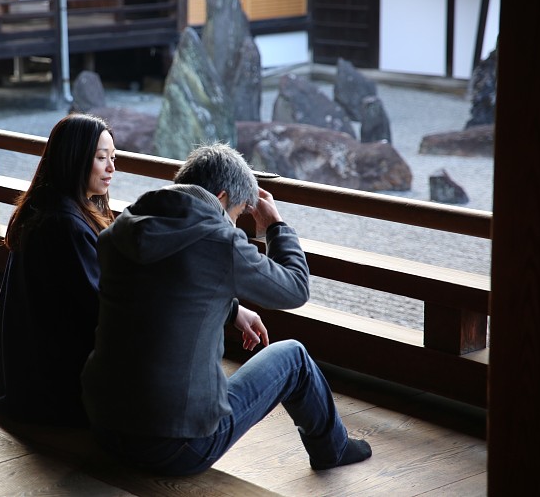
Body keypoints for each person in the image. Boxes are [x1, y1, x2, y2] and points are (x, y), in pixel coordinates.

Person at [80, 143, 372, 473]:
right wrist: (275, 225)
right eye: (236, 215)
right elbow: (295, 289)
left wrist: (233, 310)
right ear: (220, 199)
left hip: (103, 424)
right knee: (293, 357)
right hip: (177, 446)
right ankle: (332, 449)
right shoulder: (219, 240)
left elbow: (163, 286)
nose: (234, 225)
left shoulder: (122, 228)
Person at [0, 113, 116, 427]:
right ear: (75, 159)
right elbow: (100, 311)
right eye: (101, 158)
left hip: (26, 377)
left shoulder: (46, 207)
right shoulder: (66, 223)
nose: (112, 168)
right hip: (55, 390)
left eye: (113, 158)